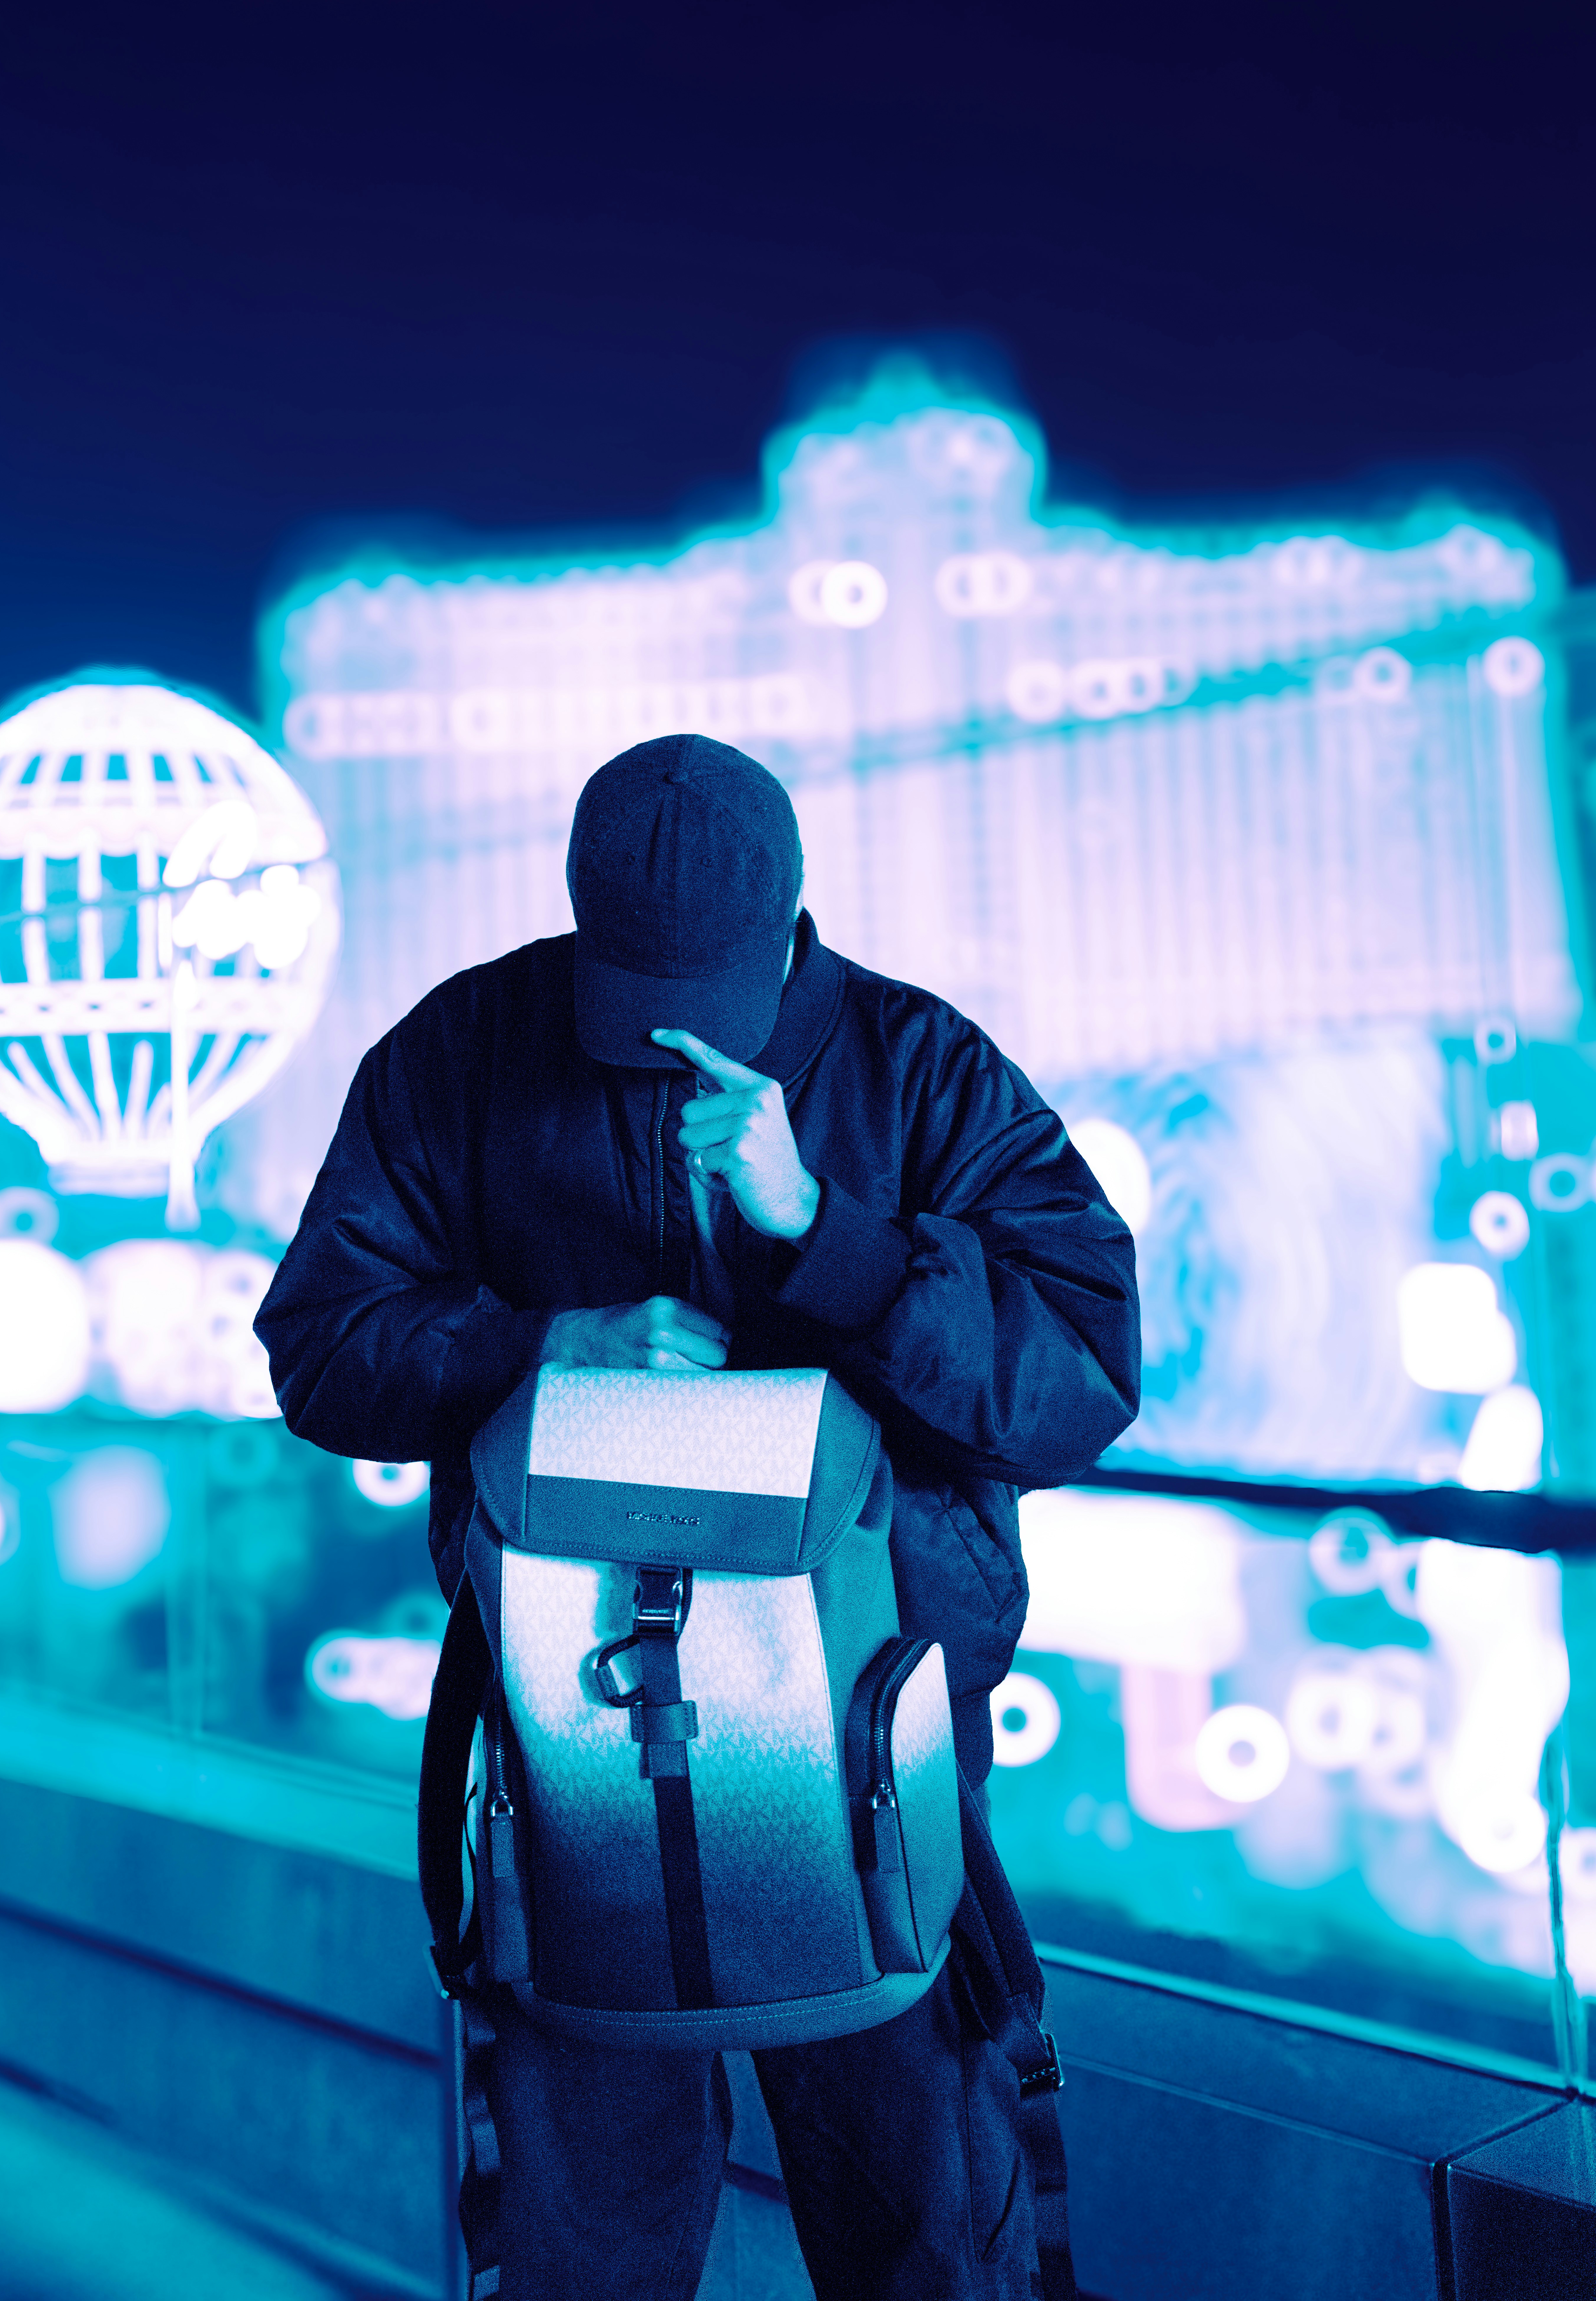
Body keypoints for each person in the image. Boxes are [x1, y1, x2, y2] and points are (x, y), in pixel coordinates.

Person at [258, 732, 1141, 2301]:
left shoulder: (915, 1067)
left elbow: (1079, 1374)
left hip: (876, 1761)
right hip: (573, 1752)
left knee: (930, 2240)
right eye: (630, 987)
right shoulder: (463, 1057)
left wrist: (834, 1237)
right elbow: (321, 1347)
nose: (665, 1035)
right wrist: (538, 1344)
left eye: (707, 990)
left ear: (792, 926)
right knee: (582, 2252)